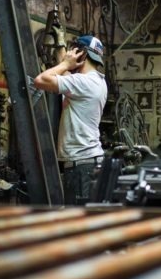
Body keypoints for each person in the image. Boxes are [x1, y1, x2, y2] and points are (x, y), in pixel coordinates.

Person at [34, 31, 108, 205]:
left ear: (81, 54)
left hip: (82, 166)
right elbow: (66, 77)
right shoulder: (95, 81)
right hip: (87, 163)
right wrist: (61, 45)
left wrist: (66, 63)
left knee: (79, 223)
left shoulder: (84, 83)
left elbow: (41, 80)